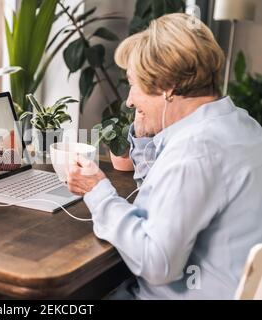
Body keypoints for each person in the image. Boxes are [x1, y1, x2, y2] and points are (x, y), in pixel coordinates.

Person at [67, 13, 262, 299]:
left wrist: (98, 192)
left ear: (167, 86)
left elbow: (157, 263)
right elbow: (168, 204)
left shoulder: (194, 152)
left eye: (134, 84)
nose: (129, 100)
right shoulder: (242, 125)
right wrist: (148, 136)